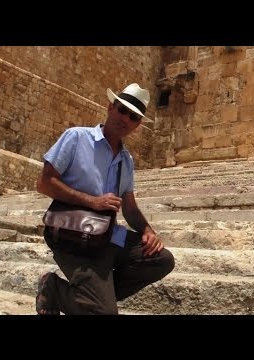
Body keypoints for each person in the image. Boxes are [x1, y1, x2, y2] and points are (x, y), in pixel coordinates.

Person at [35, 83, 175, 315]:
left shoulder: (126, 160)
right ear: (111, 108)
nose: (125, 119)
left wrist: (148, 231)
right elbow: (44, 183)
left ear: (137, 124)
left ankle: (94, 296)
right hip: (73, 235)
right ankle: (55, 289)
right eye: (122, 110)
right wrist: (92, 201)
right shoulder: (77, 138)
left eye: (133, 116)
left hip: (107, 234)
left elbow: (129, 208)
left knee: (161, 259)